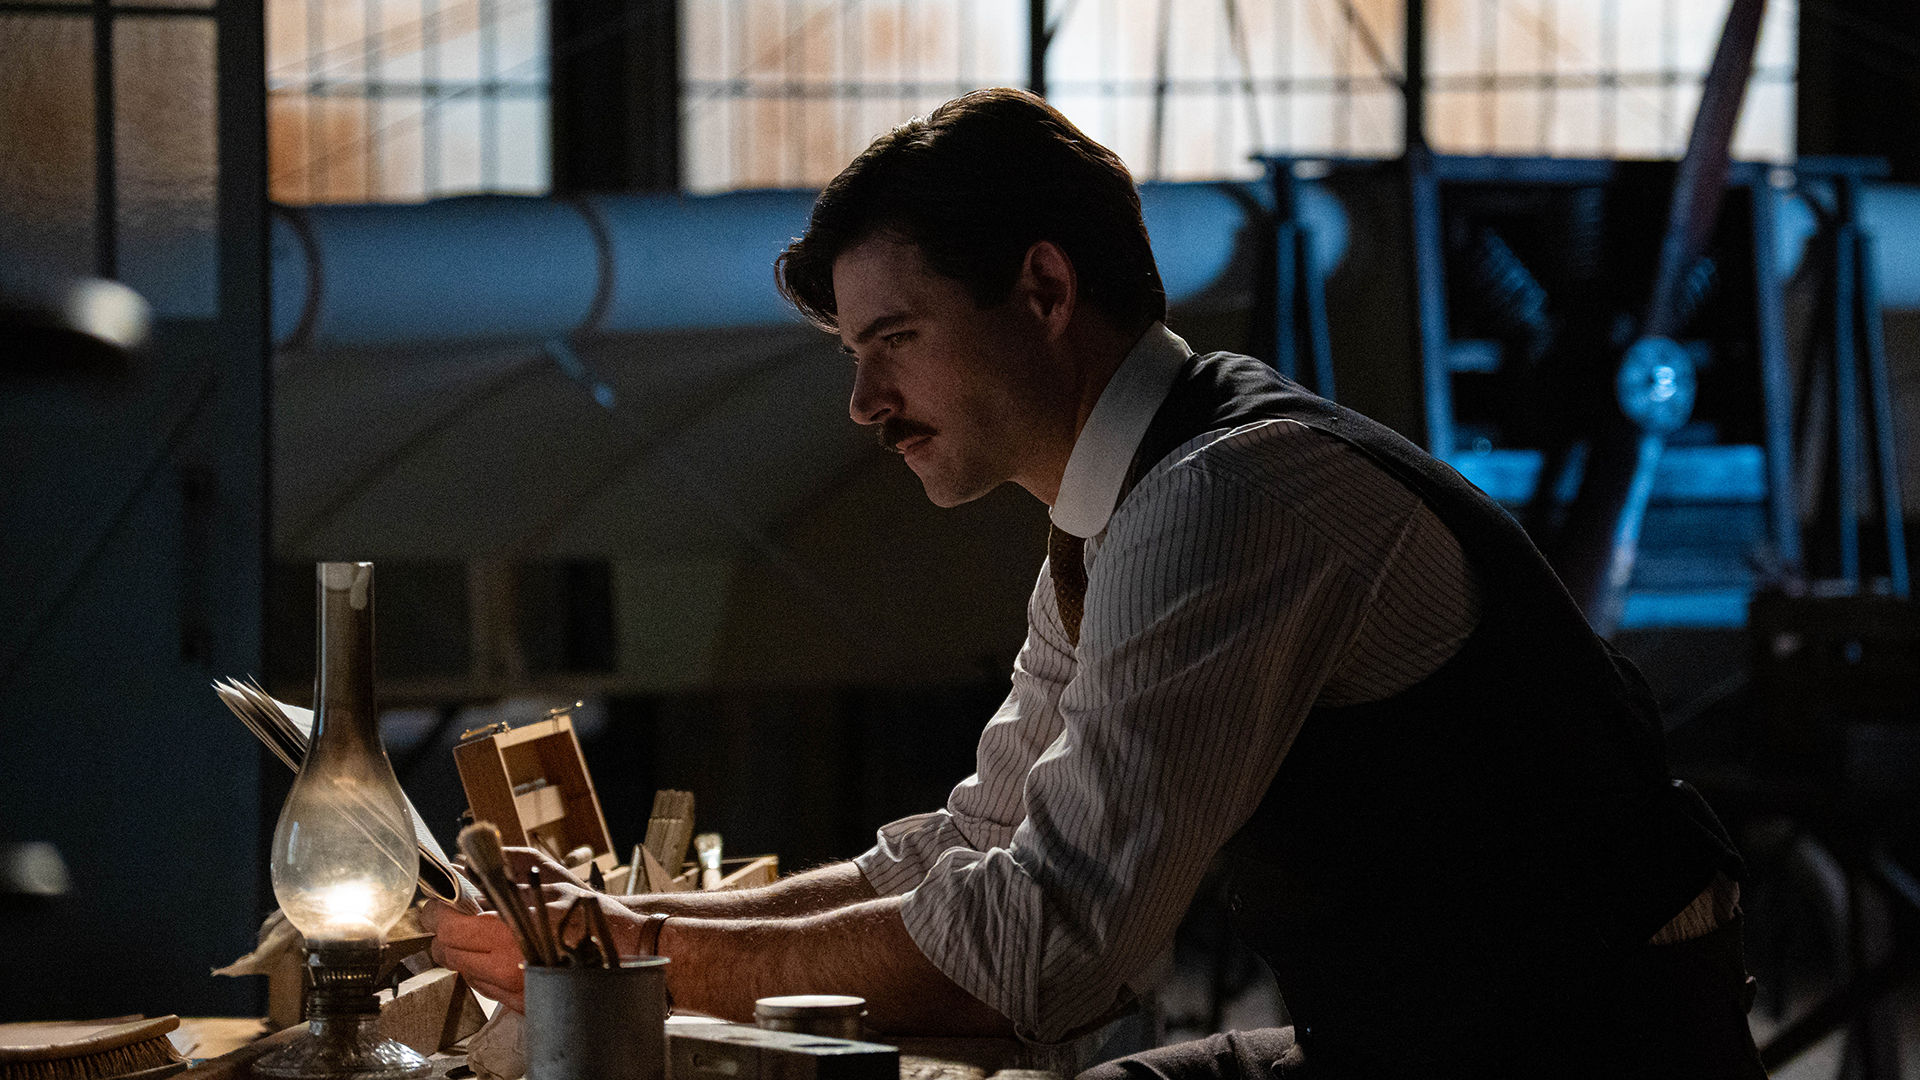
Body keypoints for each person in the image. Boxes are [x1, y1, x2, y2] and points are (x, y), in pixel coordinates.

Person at [426, 87, 1766, 1079]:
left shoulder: (1226, 499)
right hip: (1420, 1039)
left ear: (1045, 288)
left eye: (896, 339)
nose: (863, 402)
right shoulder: (1121, 510)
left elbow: (1044, 952)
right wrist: (638, 921)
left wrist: (641, 959)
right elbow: (975, 841)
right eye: (853, 353)